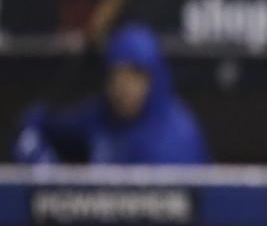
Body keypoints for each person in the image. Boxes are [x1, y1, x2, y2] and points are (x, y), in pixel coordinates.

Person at [12, 25, 209, 166]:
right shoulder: (101, 115)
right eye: (116, 76)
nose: (122, 88)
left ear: (155, 80)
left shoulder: (176, 138)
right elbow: (44, 124)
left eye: (135, 76)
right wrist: (44, 173)